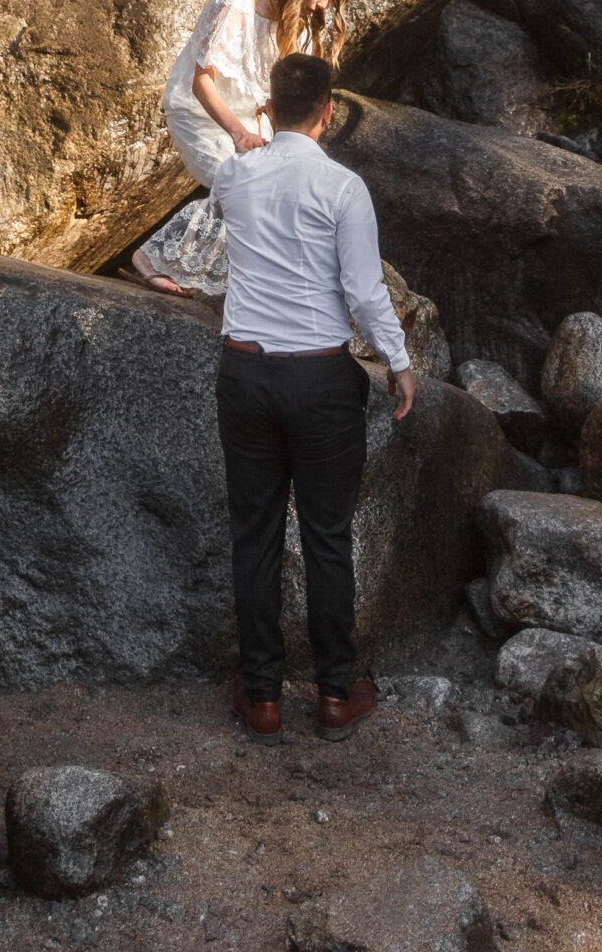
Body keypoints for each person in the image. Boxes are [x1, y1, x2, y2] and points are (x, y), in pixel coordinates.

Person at [212, 49, 414, 744]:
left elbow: (223, 231)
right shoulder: (342, 187)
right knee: (326, 538)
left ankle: (261, 695)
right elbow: (362, 290)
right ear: (327, 113)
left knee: (254, 533)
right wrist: (399, 361)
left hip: (244, 376)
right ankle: (334, 692)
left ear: (268, 106)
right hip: (320, 380)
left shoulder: (232, 174)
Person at [130, 0, 350, 297]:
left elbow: (282, 96)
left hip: (253, 118)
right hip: (200, 111)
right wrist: (239, 134)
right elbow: (201, 82)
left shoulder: (301, 24)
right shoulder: (235, 2)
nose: (323, 4)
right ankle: (150, 257)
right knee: (243, 182)